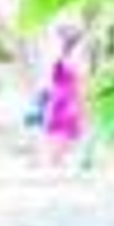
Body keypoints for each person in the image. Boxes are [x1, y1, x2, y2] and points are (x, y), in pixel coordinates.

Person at [41, 26, 88, 169]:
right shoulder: (68, 62)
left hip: (62, 97)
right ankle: (56, 159)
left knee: (62, 130)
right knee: (65, 130)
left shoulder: (63, 60)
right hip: (66, 98)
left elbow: (51, 80)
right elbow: (77, 82)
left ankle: (56, 159)